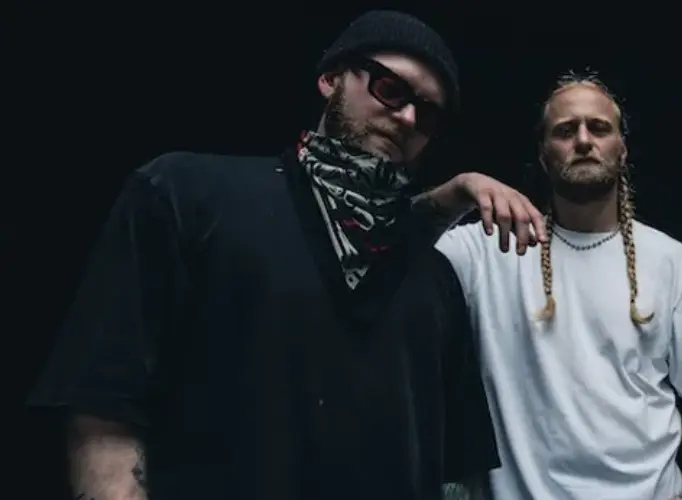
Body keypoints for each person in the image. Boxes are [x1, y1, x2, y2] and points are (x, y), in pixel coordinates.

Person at [29, 10, 546, 500]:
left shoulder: (432, 277)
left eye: (428, 113)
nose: (408, 117)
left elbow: (453, 471)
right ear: (331, 79)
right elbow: (104, 400)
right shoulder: (186, 195)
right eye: (390, 89)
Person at [432, 72, 682, 500]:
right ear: (543, 155)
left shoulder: (669, 259)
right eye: (565, 131)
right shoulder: (489, 247)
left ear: (622, 149)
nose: (583, 140)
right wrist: (460, 188)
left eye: (598, 128)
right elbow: (390, 246)